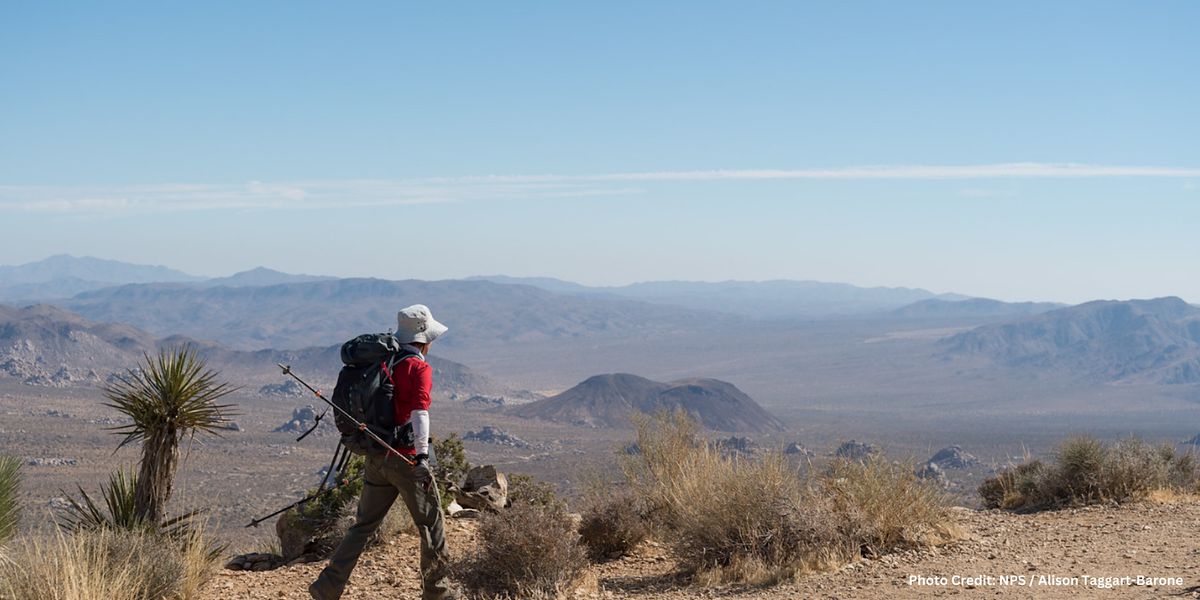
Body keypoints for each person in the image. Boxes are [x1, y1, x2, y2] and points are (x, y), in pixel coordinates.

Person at [310, 304, 455, 600]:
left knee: (362, 526)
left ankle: (327, 587)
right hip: (405, 458)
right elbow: (420, 413)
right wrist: (422, 457)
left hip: (377, 455)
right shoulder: (417, 367)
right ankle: (438, 595)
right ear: (424, 340)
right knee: (431, 527)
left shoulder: (382, 361)